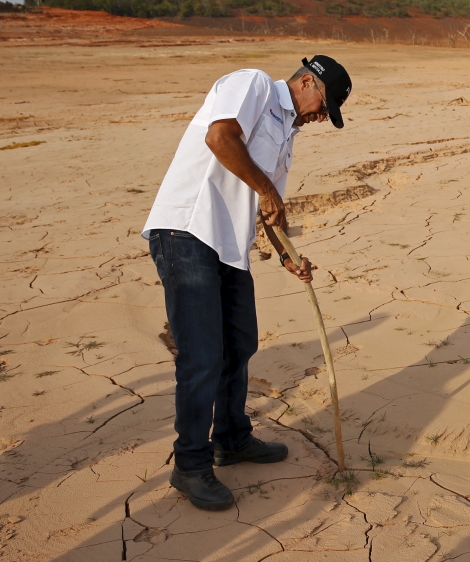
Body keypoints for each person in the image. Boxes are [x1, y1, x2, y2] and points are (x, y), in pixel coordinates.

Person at [141, 55, 352, 511]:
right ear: (306, 82)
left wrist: (287, 254)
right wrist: (267, 189)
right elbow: (220, 137)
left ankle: (232, 438)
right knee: (202, 356)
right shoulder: (254, 85)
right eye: (324, 106)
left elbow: (270, 209)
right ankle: (190, 465)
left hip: (229, 245)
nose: (320, 117)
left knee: (240, 344)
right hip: (187, 232)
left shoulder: (287, 134)